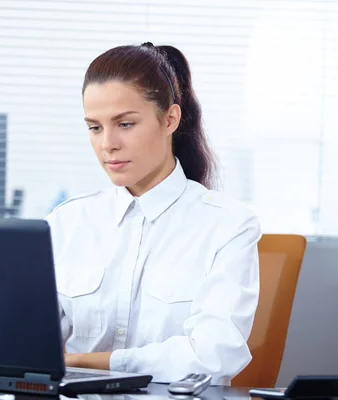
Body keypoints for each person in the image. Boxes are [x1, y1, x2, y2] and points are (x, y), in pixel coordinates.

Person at [46, 42, 261, 385]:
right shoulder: (66, 223)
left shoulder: (229, 226)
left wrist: (84, 361)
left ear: (170, 119)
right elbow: (26, 347)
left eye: (125, 124)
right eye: (95, 127)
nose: (108, 144)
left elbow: (212, 356)